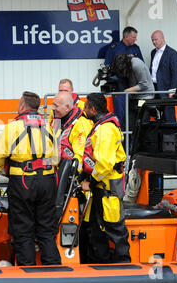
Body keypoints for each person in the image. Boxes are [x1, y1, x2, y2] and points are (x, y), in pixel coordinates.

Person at [0, 91, 61, 266]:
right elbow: (56, 158)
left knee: (23, 231)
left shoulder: (12, 127)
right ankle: (55, 274)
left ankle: (27, 275)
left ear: (22, 106)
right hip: (47, 181)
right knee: (47, 231)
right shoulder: (49, 126)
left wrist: (8, 172)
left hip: (22, 182)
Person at [80, 93, 131, 264]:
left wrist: (91, 181)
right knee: (96, 230)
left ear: (93, 109)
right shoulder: (101, 126)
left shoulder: (105, 129)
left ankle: (124, 266)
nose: (84, 110)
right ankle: (99, 265)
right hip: (101, 186)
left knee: (115, 229)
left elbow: (105, 163)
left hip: (108, 187)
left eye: (86, 107)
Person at [104, 27, 144, 130]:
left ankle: (132, 144)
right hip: (119, 88)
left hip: (134, 88)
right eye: (134, 37)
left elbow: (142, 66)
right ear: (126, 36)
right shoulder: (114, 48)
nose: (135, 39)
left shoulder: (136, 48)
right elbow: (107, 67)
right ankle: (121, 142)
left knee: (134, 116)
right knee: (120, 116)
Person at [111, 54, 154, 131]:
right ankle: (131, 142)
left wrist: (127, 91)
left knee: (142, 125)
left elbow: (144, 84)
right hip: (134, 98)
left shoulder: (137, 64)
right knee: (129, 124)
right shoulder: (126, 66)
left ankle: (142, 142)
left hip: (145, 97)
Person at [51, 91, 93, 166]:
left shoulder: (81, 125)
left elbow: (80, 156)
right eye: (53, 105)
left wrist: (72, 172)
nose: (52, 108)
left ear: (67, 107)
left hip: (71, 172)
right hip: (56, 166)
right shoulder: (57, 119)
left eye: (56, 106)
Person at [150, 30, 177, 123]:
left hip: (166, 88)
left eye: (156, 39)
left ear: (162, 38)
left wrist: (172, 90)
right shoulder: (153, 52)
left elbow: (175, 73)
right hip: (153, 87)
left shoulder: (172, 53)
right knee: (155, 112)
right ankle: (159, 134)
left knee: (168, 113)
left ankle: (171, 136)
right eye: (152, 40)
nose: (154, 42)